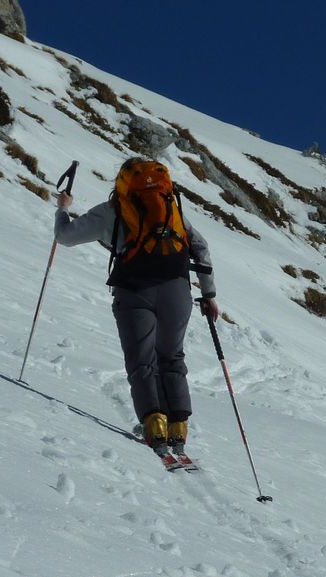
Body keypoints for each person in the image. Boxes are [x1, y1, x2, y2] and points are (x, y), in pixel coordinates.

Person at [54, 157, 218, 470]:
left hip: (134, 289)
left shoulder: (112, 210)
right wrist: (208, 294)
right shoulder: (171, 208)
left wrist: (63, 208)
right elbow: (200, 246)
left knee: (142, 361)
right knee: (172, 357)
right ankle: (178, 430)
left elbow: (65, 237)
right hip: (177, 290)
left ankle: (154, 429)